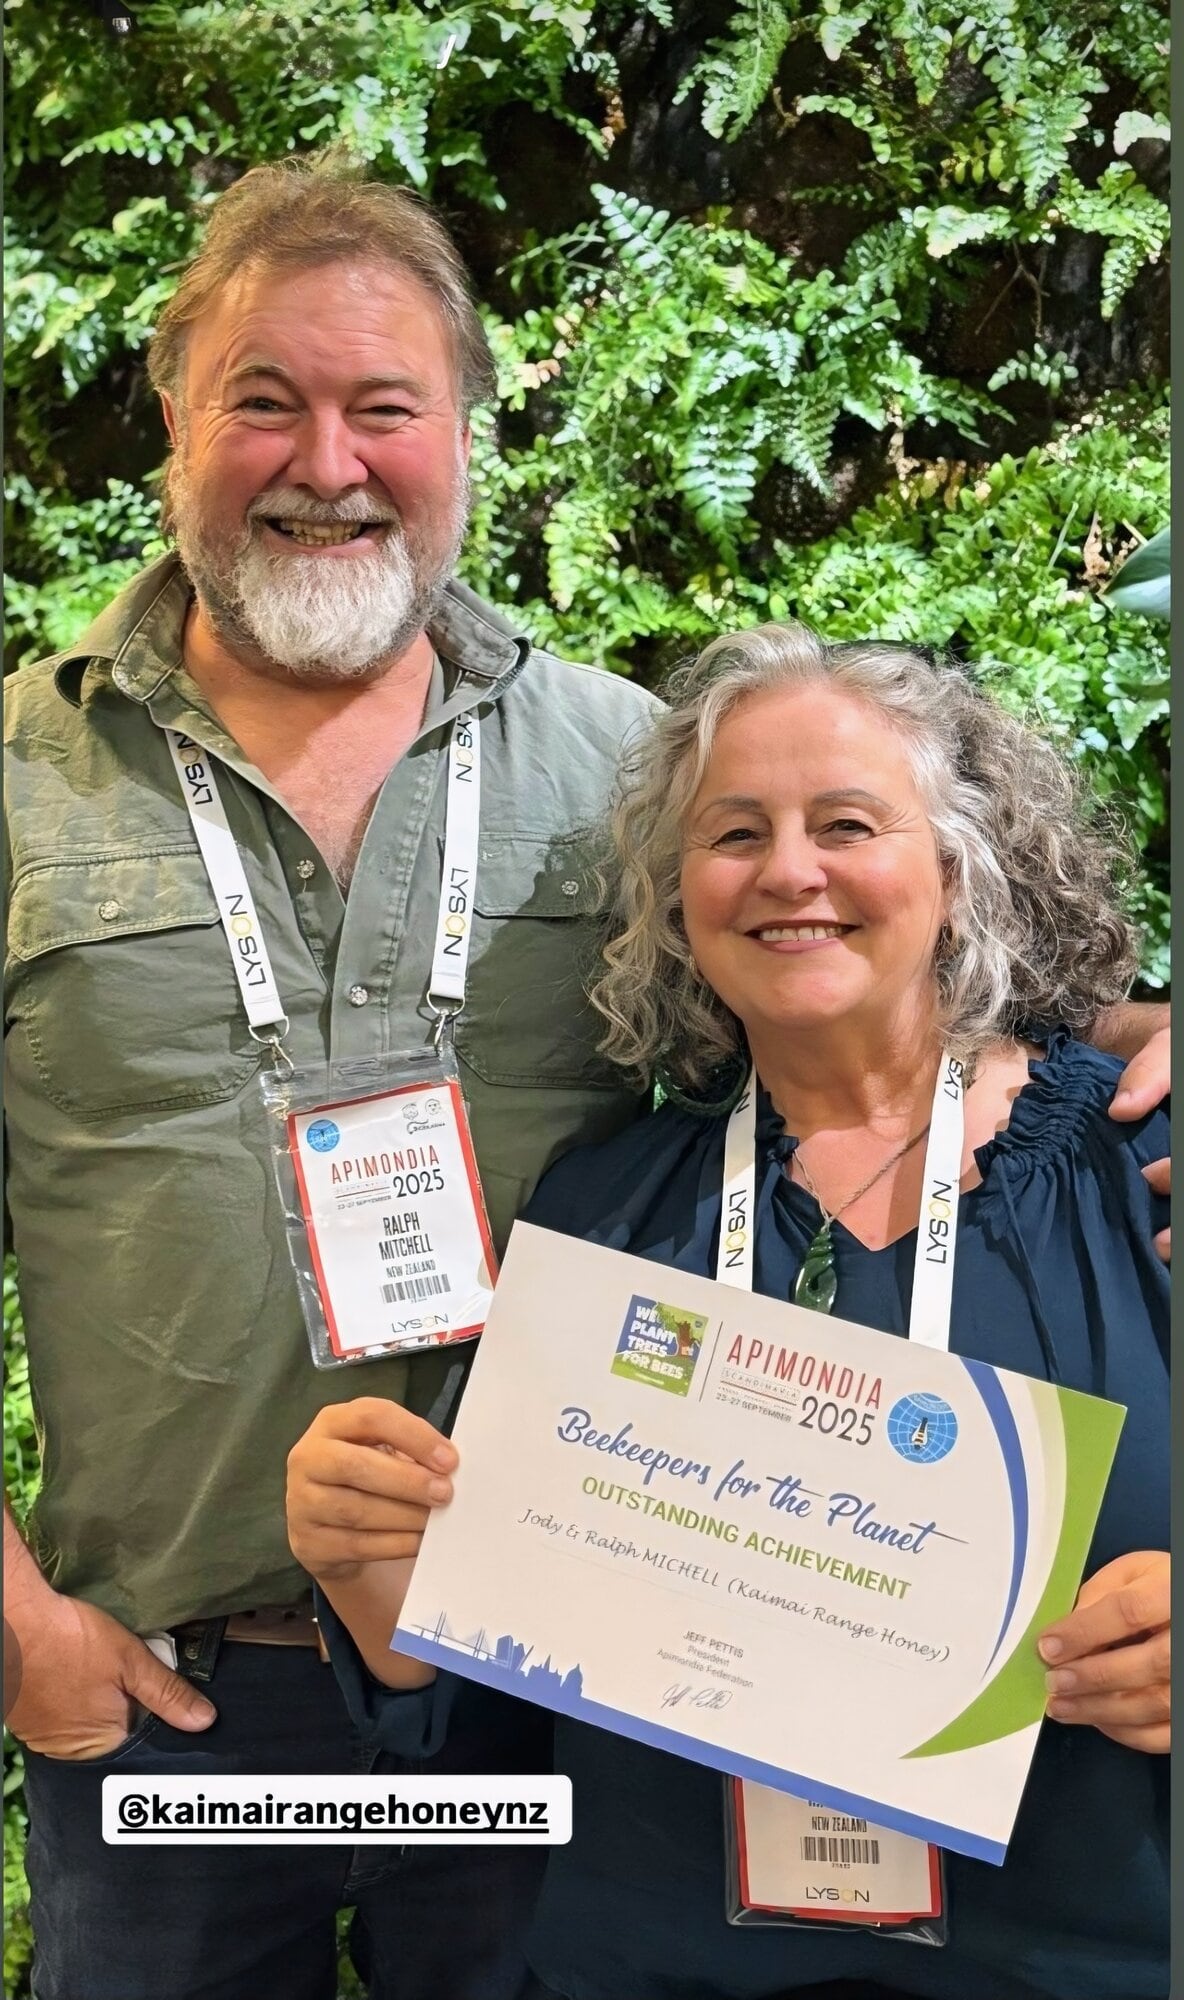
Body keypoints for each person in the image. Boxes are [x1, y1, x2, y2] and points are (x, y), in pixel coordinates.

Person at [3, 156, 662, 2000]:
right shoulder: (16, 782)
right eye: (264, 400)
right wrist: (19, 1633)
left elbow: (861, 1053)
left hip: (565, 1687)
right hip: (168, 1694)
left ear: (467, 428)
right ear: (172, 416)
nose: (329, 460)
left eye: (387, 407)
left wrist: (1112, 1045)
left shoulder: (640, 765)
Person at [288, 625, 1169, 2000]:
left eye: (847, 823)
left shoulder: (1145, 1171)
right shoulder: (605, 1215)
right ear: (677, 894)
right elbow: (482, 1715)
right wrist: (371, 1566)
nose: (790, 872)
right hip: (660, 1967)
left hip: (1078, 1959)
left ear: (956, 864)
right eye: (736, 832)